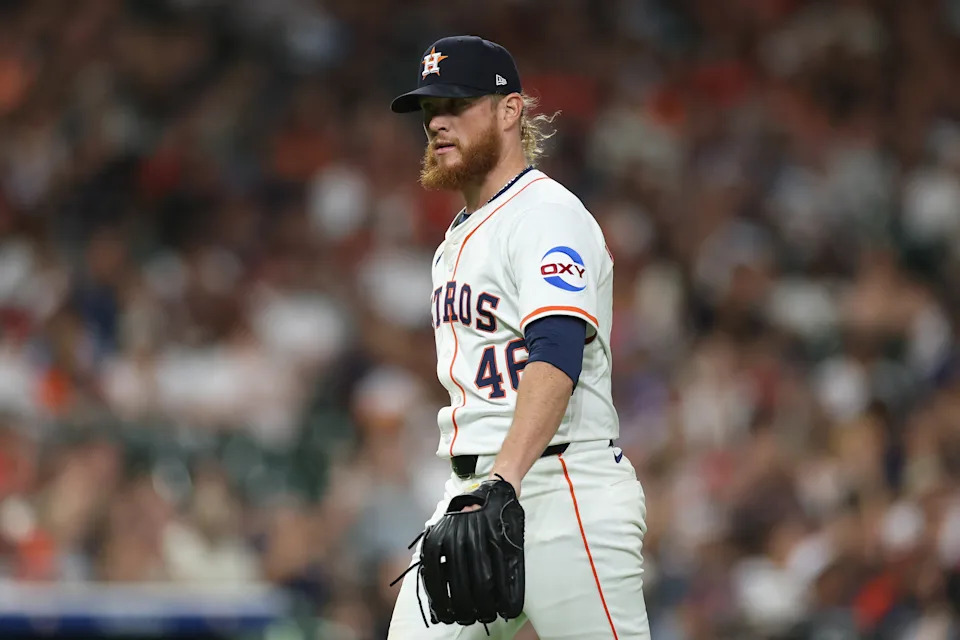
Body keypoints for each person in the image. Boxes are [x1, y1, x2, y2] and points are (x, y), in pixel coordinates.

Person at [387, 35, 651, 640]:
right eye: (430, 111)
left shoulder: (544, 214)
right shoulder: (462, 233)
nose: (438, 124)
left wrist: (502, 479)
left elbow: (555, 353)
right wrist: (488, 488)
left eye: (456, 105)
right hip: (475, 493)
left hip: (564, 491)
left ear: (510, 111)